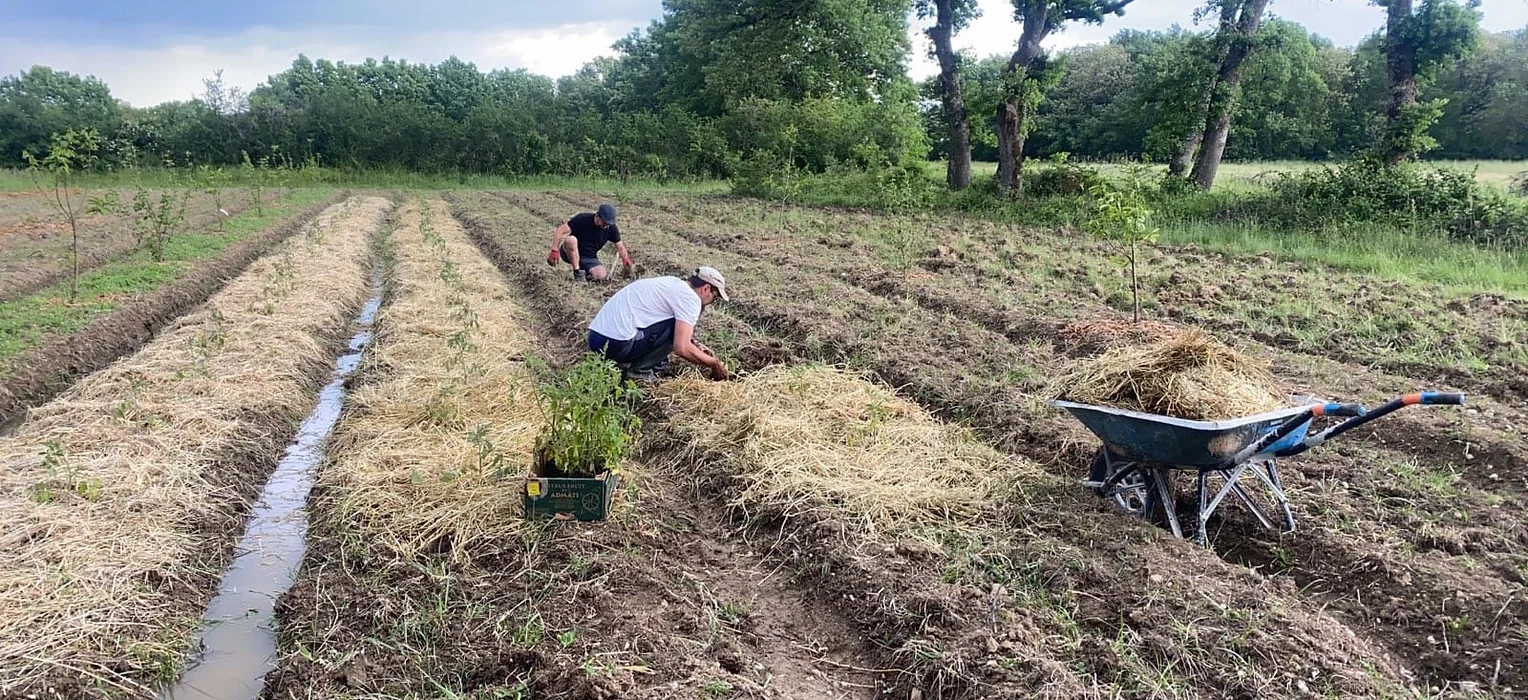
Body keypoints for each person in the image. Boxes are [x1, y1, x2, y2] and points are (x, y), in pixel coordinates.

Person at [587, 267, 732, 382]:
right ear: (706, 288)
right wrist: (714, 363)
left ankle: (639, 362)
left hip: (596, 338)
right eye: (715, 297)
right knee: (676, 332)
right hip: (615, 345)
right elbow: (681, 347)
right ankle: (640, 372)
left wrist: (696, 344)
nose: (712, 302)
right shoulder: (690, 299)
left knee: (675, 329)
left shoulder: (672, 283)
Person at [546, 203, 632, 281]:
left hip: (589, 257)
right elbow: (560, 230)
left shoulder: (611, 228)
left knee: (601, 276)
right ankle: (577, 273)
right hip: (570, 252)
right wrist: (554, 250)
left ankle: (586, 274)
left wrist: (625, 258)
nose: (605, 225)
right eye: (604, 222)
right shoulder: (582, 218)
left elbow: (620, 246)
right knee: (571, 240)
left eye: (608, 224)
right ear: (597, 215)